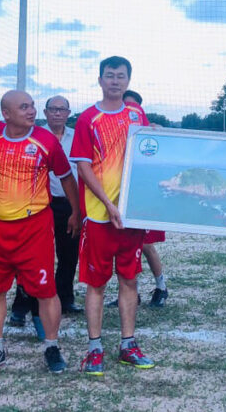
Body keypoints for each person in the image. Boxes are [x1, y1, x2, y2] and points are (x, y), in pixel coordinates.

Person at [0, 90, 79, 374]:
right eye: (24, 107)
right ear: (6, 114)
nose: (31, 111)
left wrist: (76, 211)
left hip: (34, 227)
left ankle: (52, 346)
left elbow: (66, 177)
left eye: (32, 105)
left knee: (46, 290)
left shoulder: (45, 140)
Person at [71, 56, 154, 376]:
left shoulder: (136, 114)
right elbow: (83, 166)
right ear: (100, 80)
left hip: (131, 215)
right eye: (110, 75)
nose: (115, 81)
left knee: (129, 279)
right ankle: (94, 349)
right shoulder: (88, 119)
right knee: (97, 283)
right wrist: (108, 204)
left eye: (121, 76)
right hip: (100, 215)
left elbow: (148, 152)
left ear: (128, 81)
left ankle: (128, 345)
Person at [11, 94, 82, 328]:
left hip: (67, 203)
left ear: (68, 113)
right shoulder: (34, 135)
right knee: (31, 257)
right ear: (45, 112)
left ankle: (65, 298)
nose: (58, 113)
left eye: (62, 109)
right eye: (53, 109)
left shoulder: (77, 137)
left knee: (68, 254)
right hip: (38, 204)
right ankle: (22, 305)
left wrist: (76, 209)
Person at [121, 90, 170, 308]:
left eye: (133, 106)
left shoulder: (149, 131)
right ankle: (132, 292)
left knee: (146, 245)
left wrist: (158, 131)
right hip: (123, 197)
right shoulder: (116, 130)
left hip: (144, 197)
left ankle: (161, 287)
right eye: (125, 105)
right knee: (125, 247)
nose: (129, 109)